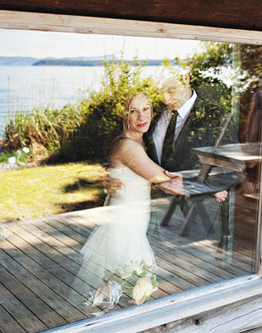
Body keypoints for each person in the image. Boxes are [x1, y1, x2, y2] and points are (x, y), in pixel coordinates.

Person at [71, 93, 182, 310]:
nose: (142, 116)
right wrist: (211, 180)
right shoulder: (128, 146)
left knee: (125, 294)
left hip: (134, 226)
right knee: (118, 296)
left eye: (146, 109)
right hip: (123, 230)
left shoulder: (142, 141)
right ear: (126, 115)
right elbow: (165, 181)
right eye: (134, 111)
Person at [105, 71, 240, 241]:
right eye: (160, 93)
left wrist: (206, 186)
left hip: (197, 220)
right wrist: (112, 173)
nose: (166, 99)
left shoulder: (216, 116)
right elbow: (132, 149)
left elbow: (234, 169)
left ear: (186, 78)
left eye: (170, 90)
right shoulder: (151, 114)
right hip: (151, 218)